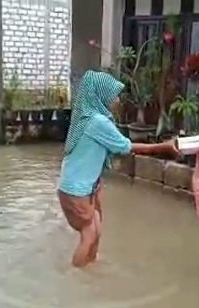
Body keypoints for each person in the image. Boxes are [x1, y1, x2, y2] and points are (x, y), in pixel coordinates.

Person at [58, 70, 179, 268]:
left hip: (79, 186)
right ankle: (75, 276)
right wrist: (163, 147)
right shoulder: (98, 122)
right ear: (101, 96)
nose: (117, 101)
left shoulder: (85, 116)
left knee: (96, 229)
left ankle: (91, 269)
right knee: (89, 234)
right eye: (113, 96)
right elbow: (126, 147)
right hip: (76, 190)